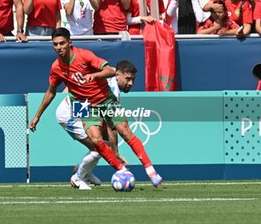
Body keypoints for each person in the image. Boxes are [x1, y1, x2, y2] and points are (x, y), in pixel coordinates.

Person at [30, 27, 163, 188]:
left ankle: (151, 172)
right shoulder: (56, 67)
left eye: (62, 43)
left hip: (106, 99)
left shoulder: (84, 56)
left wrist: (95, 75)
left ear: (69, 43)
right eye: (55, 44)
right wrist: (37, 115)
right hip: (84, 105)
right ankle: (118, 171)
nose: (59, 47)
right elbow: (51, 91)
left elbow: (109, 70)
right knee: (96, 142)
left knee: (125, 132)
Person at [56, 60, 136, 189]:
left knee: (102, 144)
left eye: (133, 79)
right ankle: (78, 178)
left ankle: (83, 170)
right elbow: (112, 128)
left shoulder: (107, 78)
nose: (131, 83)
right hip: (70, 115)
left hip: (82, 110)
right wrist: (115, 154)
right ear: (117, 75)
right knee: (99, 148)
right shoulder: (113, 92)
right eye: (128, 79)